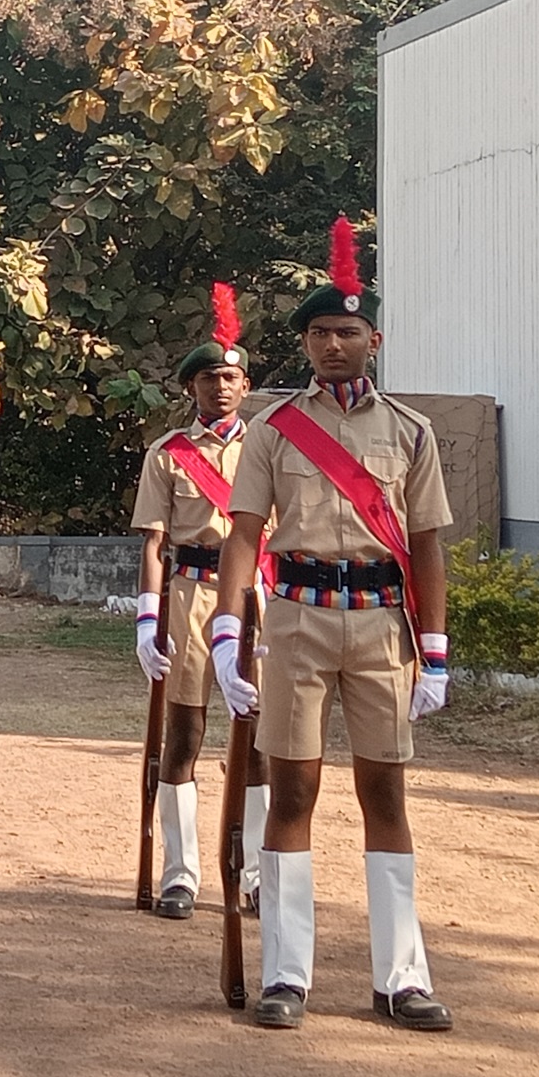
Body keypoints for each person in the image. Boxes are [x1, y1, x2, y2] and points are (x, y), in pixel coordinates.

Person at [213, 217, 454, 1033]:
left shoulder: (410, 432)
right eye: (318, 333)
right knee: (293, 790)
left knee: (385, 790)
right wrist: (224, 628)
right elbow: (246, 532)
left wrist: (437, 649)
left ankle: (401, 975)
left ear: (373, 337)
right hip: (298, 622)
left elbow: (426, 544)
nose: (331, 345)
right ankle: (287, 971)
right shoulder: (275, 430)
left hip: (381, 624)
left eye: (346, 331)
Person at [130, 283, 267, 919]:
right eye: (210, 378)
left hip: (255, 595)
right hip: (187, 592)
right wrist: (148, 616)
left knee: (261, 737)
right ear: (192, 387)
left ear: (246, 386)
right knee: (182, 734)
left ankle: (259, 871)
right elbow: (154, 543)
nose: (221, 388)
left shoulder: (269, 450)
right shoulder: (168, 455)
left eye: (231, 378)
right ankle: (180, 874)